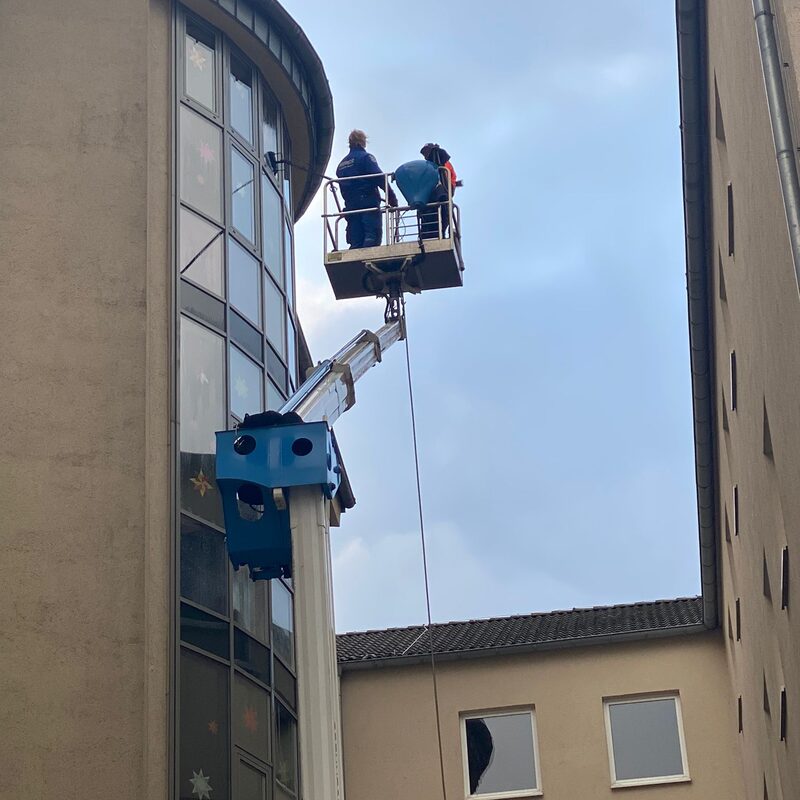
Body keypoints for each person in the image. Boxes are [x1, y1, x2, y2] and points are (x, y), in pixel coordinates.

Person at [335, 130, 397, 249]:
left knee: (356, 240)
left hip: (351, 206)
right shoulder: (366, 158)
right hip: (368, 202)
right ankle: (368, 261)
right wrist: (391, 197)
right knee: (371, 236)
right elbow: (379, 177)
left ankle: (356, 264)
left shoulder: (341, 165)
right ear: (361, 142)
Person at [419, 142, 458, 240]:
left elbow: (447, 178)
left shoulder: (441, 161)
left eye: (426, 152)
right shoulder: (427, 165)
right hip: (435, 196)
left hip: (443, 192)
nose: (425, 156)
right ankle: (432, 234)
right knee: (431, 214)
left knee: (442, 212)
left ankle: (439, 234)